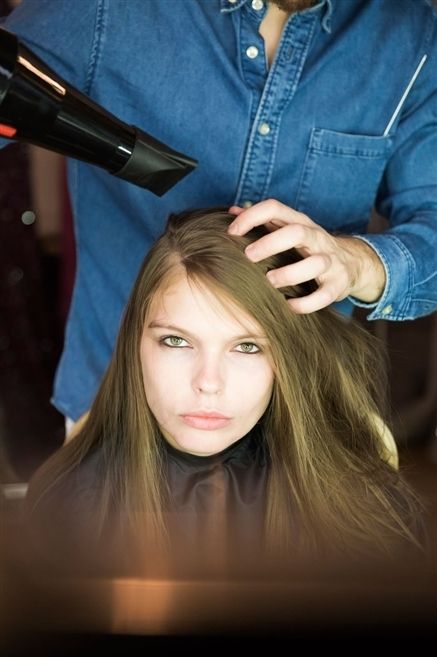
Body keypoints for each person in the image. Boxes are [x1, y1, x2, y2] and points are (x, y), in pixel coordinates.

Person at [0, 0, 436, 432]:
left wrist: (357, 262)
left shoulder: (409, 33)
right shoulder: (101, 8)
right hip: (117, 419)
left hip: (306, 430)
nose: (211, 384)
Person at [23, 208, 425, 582]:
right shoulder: (70, 504)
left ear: (287, 359)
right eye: (176, 341)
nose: (208, 382)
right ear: (134, 346)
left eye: (247, 347)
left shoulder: (368, 509)